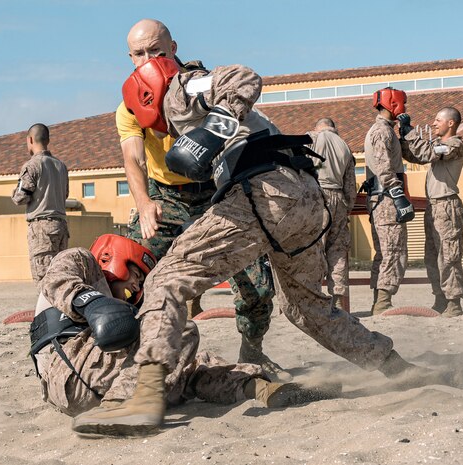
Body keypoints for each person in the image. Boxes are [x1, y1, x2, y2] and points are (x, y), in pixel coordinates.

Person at [71, 58, 442, 436]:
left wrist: (213, 129)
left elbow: (243, 76)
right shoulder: (193, 97)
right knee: (306, 309)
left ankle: (144, 397)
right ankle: (395, 366)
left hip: (263, 190)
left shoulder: (181, 88)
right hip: (304, 196)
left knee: (164, 280)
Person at [117, 19, 279, 372]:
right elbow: (132, 157)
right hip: (167, 198)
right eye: (140, 53)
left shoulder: (198, 85)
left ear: (173, 49)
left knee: (259, 288)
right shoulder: (130, 106)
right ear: (130, 57)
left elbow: (243, 87)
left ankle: (252, 349)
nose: (149, 59)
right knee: (122, 269)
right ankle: (130, 358)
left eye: (157, 50)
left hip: (219, 194)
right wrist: (144, 204)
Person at [29, 234, 336, 418]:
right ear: (113, 257)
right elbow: (57, 281)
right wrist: (95, 305)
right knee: (179, 330)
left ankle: (259, 387)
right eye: (135, 274)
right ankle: (120, 406)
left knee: (187, 366)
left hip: (95, 380)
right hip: (69, 369)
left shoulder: (121, 305)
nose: (136, 284)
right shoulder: (82, 262)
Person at [398, 107, 463, 316]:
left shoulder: (455, 144)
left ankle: (453, 303)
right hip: (433, 206)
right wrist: (403, 139)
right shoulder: (438, 145)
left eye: (438, 120)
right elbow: (416, 156)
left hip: (447, 206)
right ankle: (440, 299)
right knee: (432, 256)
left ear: (451, 123)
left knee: (449, 256)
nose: (434, 123)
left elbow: (427, 153)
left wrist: (411, 132)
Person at [363, 87, 415, 315]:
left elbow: (412, 155)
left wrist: (406, 132)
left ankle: (379, 302)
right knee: (393, 250)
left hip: (380, 198)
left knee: (384, 252)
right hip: (386, 199)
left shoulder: (386, 131)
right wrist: (398, 194)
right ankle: (382, 302)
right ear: (394, 104)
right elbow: (384, 167)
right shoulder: (382, 132)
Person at [12, 123, 69, 285]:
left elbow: (20, 197)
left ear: (30, 139)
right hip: (61, 226)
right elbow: (65, 194)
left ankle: (46, 310)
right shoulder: (61, 166)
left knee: (44, 279)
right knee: (60, 276)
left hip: (42, 228)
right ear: (48, 140)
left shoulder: (32, 166)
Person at [308, 118, 356, 311]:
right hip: (338, 199)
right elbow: (350, 186)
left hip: (316, 197)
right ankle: (338, 299)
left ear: (317, 127)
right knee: (338, 252)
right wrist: (346, 208)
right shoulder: (344, 146)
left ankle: (314, 298)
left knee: (313, 249)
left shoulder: (311, 139)